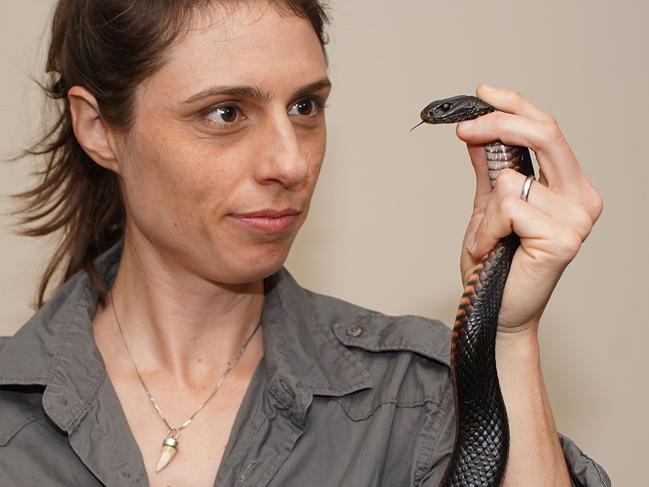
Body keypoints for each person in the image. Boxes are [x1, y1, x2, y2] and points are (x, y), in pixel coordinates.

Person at [0, 1, 610, 486]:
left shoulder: (417, 399)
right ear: (98, 128)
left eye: (305, 105)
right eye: (225, 113)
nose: (290, 162)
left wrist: (503, 338)